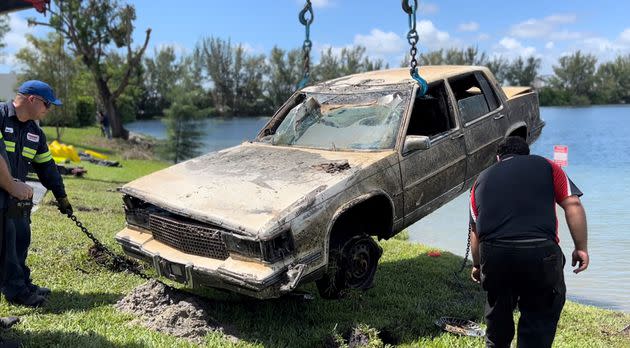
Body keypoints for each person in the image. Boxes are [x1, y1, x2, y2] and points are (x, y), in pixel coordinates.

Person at [468, 136, 589, 348]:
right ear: (527, 154)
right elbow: (573, 204)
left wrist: (478, 265)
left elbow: (475, 232)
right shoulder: (547, 166)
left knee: (498, 319)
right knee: (539, 321)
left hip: (496, 256)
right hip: (541, 254)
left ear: (498, 158)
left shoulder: (481, 179)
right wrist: (581, 248)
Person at [0, 80, 73, 307]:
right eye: (47, 104)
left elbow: (47, 167)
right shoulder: (1, 117)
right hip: (2, 195)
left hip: (19, 198)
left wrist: (61, 196)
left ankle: (22, 283)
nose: (48, 110)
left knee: (22, 239)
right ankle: (16, 291)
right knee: (8, 242)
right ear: (32, 99)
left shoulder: (35, 133)